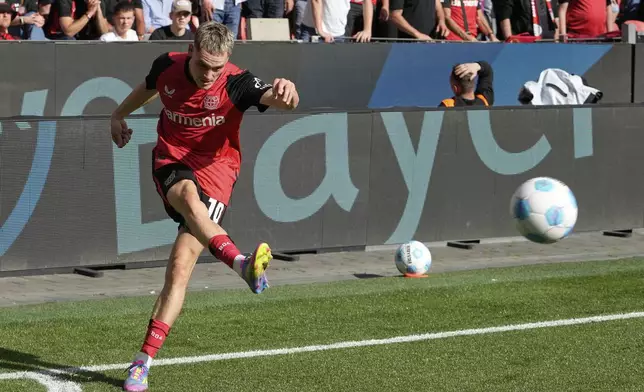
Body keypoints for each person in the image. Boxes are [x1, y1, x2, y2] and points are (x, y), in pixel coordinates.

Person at [110, 21, 299, 392]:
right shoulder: (166, 64)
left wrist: (287, 93)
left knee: (180, 268)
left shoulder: (236, 82)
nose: (210, 74)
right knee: (187, 197)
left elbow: (278, 100)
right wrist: (118, 114)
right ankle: (242, 264)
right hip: (172, 160)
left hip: (217, 171)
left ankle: (142, 362)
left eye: (218, 66)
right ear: (192, 50)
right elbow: (148, 89)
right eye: (203, 65)